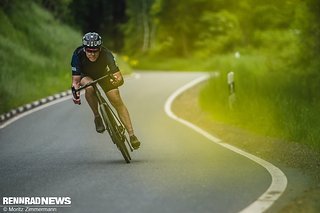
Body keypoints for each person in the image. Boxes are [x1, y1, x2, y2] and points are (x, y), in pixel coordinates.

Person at [70, 32, 140, 149]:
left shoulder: (107, 54)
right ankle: (97, 117)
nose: (92, 54)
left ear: (100, 49)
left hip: (103, 75)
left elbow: (118, 77)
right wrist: (75, 93)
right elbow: (76, 81)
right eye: (89, 51)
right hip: (86, 76)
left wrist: (116, 82)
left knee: (116, 97)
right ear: (84, 49)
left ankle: (132, 135)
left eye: (95, 51)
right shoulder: (77, 54)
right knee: (90, 87)